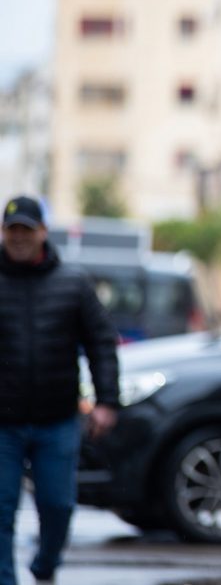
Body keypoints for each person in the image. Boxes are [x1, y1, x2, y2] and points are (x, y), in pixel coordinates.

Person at [0, 196, 120, 585]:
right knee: (0, 512)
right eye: (12, 230)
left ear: (42, 233)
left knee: (58, 506)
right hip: (3, 424)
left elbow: (101, 342)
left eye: (26, 230)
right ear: (3, 233)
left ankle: (45, 565)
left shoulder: (73, 283)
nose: (19, 238)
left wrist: (106, 402)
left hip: (57, 420)